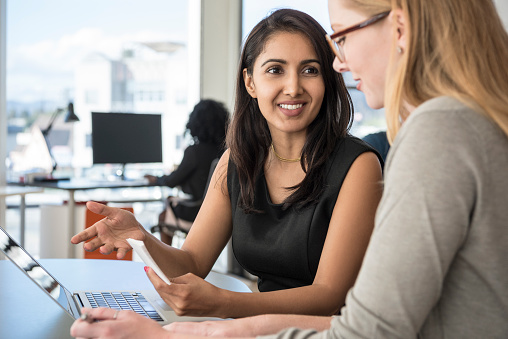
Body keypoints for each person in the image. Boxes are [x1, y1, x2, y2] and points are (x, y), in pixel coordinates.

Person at [153, 0, 508, 338]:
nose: (340, 63)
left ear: (399, 28)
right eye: (275, 69)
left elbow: (367, 328)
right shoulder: (467, 126)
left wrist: (214, 322)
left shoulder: (437, 134)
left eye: (342, 37)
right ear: (250, 81)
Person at [69, 7, 383, 336]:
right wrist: (142, 238)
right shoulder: (237, 161)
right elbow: (191, 263)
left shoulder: (358, 165)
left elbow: (328, 297)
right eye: (275, 70)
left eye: (310, 70)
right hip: (260, 330)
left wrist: (225, 304)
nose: (293, 87)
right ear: (250, 82)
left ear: (327, 78)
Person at [145, 99, 229, 245]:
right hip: (217, 212)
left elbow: (172, 181)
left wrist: (156, 179)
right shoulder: (225, 151)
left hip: (195, 213)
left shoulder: (194, 151)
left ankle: (166, 261)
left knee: (163, 216)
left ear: (195, 122)